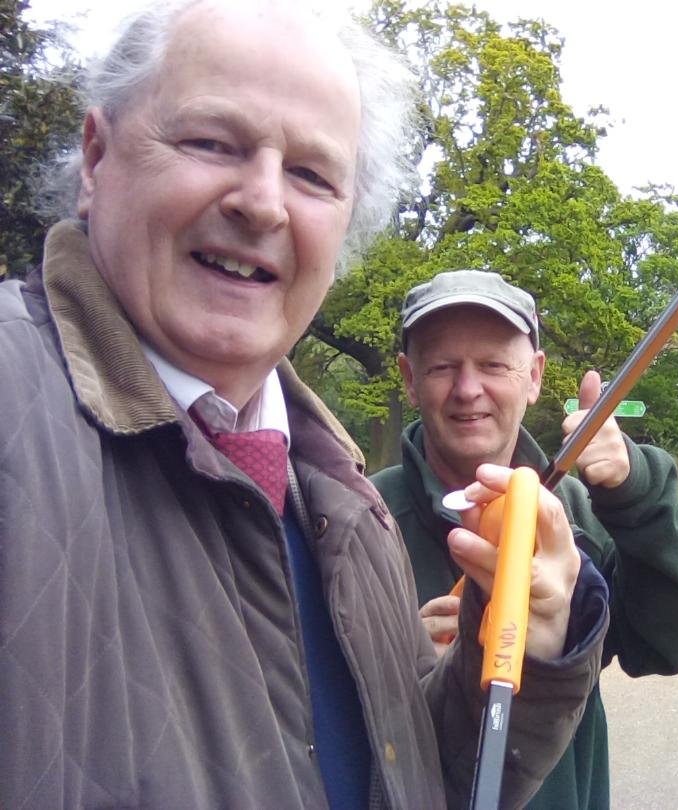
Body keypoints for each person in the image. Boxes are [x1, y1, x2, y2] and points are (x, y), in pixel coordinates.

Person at [0, 3, 611, 808]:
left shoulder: (345, 507)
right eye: (211, 142)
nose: (263, 203)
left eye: (313, 175)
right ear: (96, 156)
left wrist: (518, 657)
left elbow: (406, 779)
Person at [371, 269, 678, 809]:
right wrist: (402, 669)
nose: (468, 388)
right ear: (409, 377)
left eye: (494, 365)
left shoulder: (582, 513)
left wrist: (635, 492)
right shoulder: (359, 515)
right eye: (443, 366)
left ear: (535, 376)